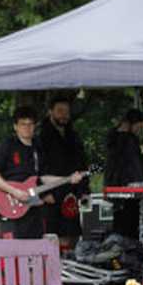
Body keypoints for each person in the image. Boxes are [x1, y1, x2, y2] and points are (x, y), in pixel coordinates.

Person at [0, 106, 83, 239]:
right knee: (13, 251)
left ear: (35, 126)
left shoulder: (38, 147)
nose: (27, 127)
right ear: (15, 127)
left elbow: (42, 177)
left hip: (33, 208)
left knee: (35, 248)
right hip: (10, 207)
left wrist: (68, 178)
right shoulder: (7, 145)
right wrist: (14, 191)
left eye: (30, 124)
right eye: (23, 124)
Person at [38, 95, 89, 252]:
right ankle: (54, 273)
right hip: (51, 195)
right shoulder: (40, 137)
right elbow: (36, 168)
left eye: (66, 112)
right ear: (50, 112)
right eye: (60, 111)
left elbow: (82, 165)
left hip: (71, 194)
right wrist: (43, 193)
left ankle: (69, 271)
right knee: (52, 238)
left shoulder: (73, 136)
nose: (64, 115)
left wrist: (84, 191)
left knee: (72, 237)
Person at [104, 108, 143, 239]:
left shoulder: (124, 140)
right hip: (125, 189)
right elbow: (131, 166)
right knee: (126, 227)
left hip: (126, 190)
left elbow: (135, 165)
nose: (139, 131)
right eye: (138, 127)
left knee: (127, 225)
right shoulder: (124, 140)